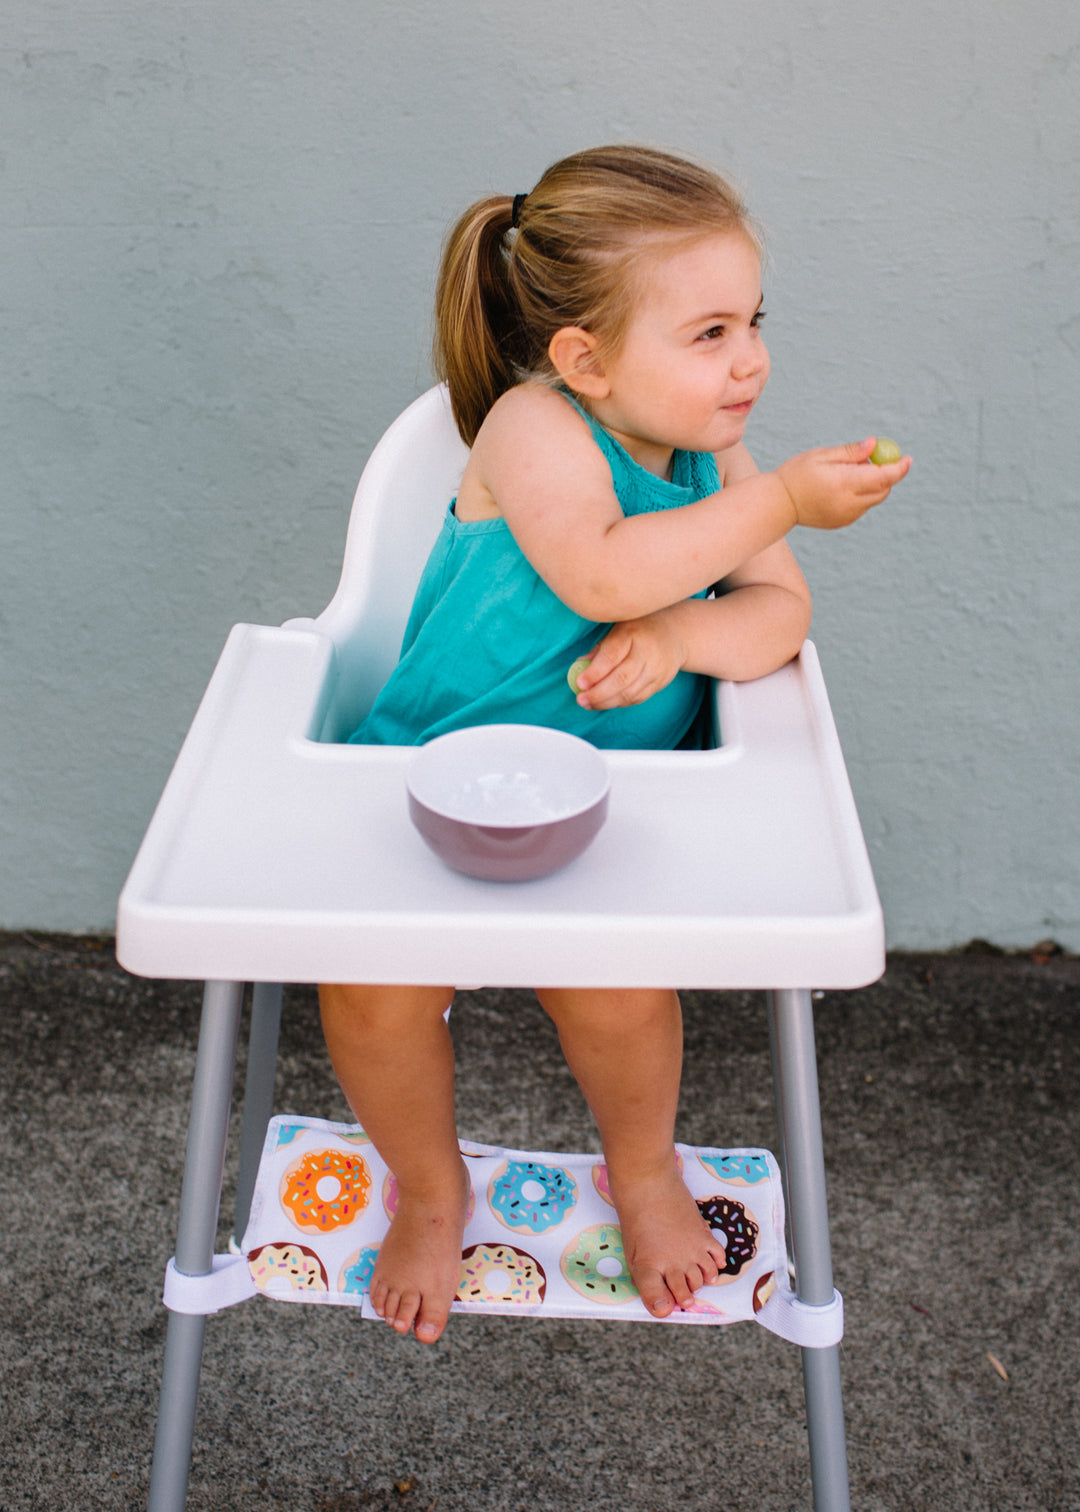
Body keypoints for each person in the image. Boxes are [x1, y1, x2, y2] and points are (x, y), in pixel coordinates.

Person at [320, 145, 911, 1344]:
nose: (750, 359)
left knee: (621, 1000)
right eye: (707, 333)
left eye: (753, 321)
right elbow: (596, 566)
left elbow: (779, 619)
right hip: (432, 785)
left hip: (617, 811)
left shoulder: (712, 459)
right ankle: (434, 1193)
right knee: (373, 993)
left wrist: (686, 633)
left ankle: (640, 1171)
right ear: (585, 359)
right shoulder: (536, 428)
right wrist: (780, 503)